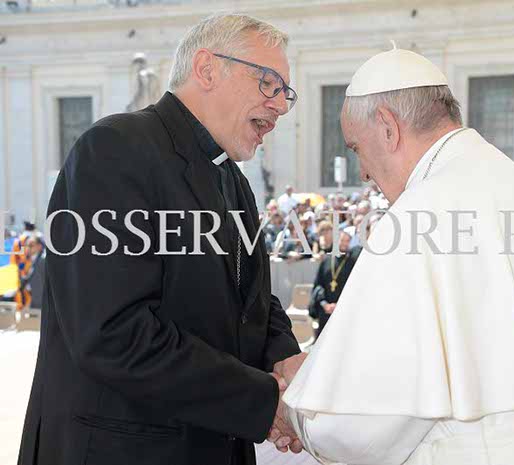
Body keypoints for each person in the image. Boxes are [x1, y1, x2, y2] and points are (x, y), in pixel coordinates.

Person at [275, 45, 514, 465]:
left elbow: (362, 428)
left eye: (356, 148)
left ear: (387, 127)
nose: (362, 172)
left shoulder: (420, 215)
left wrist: (297, 407)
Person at [18, 14, 307, 465]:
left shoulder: (233, 179)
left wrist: (283, 357)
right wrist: (263, 401)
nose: (280, 106)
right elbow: (113, 333)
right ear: (207, 69)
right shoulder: (114, 149)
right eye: (268, 84)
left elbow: (252, 299)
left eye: (284, 92)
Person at [308, 230, 360, 337]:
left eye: (347, 241)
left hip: (343, 310)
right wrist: (324, 304)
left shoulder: (352, 262)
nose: (344, 243)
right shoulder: (326, 261)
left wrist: (339, 305)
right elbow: (318, 285)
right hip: (325, 311)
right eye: (342, 240)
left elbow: (354, 288)